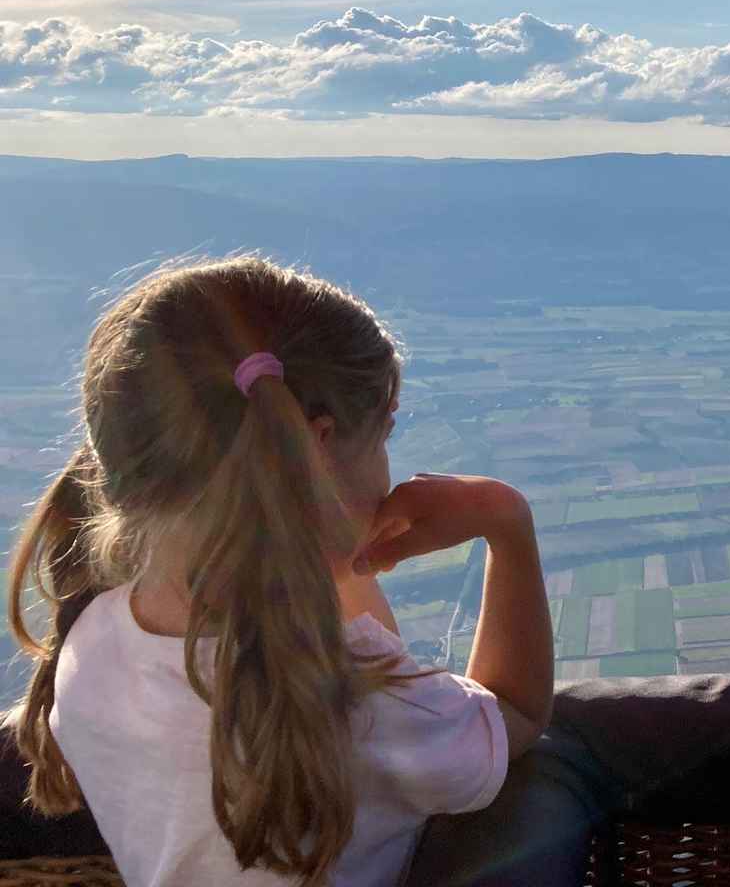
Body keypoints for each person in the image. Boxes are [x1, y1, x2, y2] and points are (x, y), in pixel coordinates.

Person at [2, 253, 554, 886]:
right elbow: (515, 713)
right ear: (315, 444)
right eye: (383, 437)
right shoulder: (359, 701)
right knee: (557, 778)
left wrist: (318, 542)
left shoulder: (89, 643)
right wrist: (505, 521)